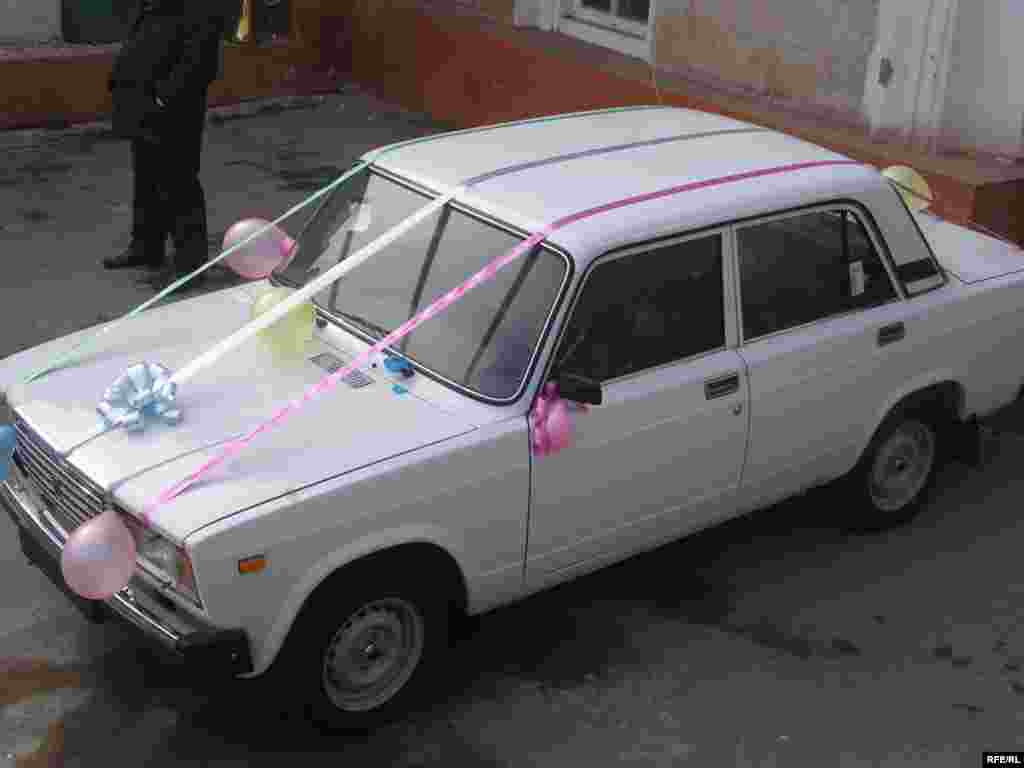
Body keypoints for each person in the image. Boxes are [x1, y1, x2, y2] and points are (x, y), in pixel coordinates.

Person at [104, 0, 237, 288]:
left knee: (178, 184)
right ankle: (146, 247)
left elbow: (200, 64)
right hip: (142, 107)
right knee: (146, 180)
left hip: (175, 114)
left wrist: (163, 97)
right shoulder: (153, 4)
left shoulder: (199, 8)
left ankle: (190, 265)